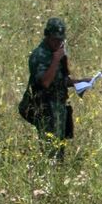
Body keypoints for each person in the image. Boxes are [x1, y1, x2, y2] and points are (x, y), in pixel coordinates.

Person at [25, 17, 88, 161]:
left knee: (59, 151)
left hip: (60, 108)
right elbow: (45, 82)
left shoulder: (58, 53)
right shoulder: (39, 55)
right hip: (46, 110)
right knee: (49, 151)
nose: (58, 43)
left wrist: (79, 82)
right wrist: (55, 59)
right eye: (55, 40)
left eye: (61, 40)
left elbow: (60, 81)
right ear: (47, 36)